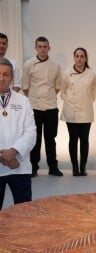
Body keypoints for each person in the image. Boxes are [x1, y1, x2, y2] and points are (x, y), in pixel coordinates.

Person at [22, 36, 63, 177]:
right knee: (35, 138)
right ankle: (33, 166)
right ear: (36, 48)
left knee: (50, 138)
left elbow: (58, 86)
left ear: (49, 48)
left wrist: (49, 96)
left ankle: (53, 167)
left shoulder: (55, 66)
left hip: (51, 106)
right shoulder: (28, 64)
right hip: (34, 107)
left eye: (45, 46)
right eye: (40, 46)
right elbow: (26, 87)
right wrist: (34, 99)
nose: (42, 49)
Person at [0, 58, 36, 209]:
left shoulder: (23, 101)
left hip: (19, 166)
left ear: (12, 77)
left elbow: (31, 132)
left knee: (24, 214)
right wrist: (3, 157)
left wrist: (13, 152)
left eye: (6, 74)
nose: (2, 78)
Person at [60, 47, 96, 176]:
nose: (79, 59)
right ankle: (75, 167)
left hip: (86, 110)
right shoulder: (66, 73)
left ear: (85, 58)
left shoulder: (91, 74)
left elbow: (94, 92)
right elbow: (62, 91)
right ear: (74, 58)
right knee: (73, 139)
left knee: (85, 140)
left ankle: (83, 167)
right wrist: (69, 101)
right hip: (71, 110)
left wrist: (87, 100)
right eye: (77, 56)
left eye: (82, 56)